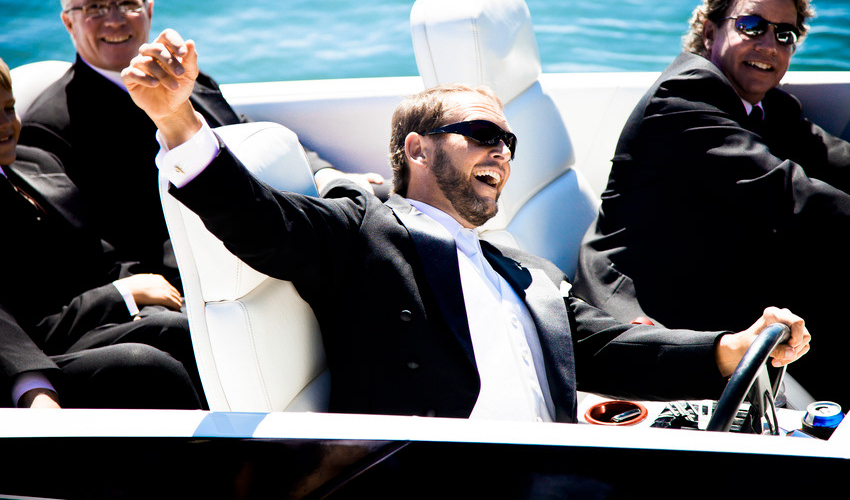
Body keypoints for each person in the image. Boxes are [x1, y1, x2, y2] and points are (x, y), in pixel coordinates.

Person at [119, 28, 809, 421]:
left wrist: (728, 349)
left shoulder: (519, 268)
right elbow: (261, 220)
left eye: (508, 141)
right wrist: (178, 121)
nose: (501, 152)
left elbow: (602, 346)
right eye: (481, 134)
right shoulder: (365, 232)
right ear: (417, 150)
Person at [571, 0, 845, 405]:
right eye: (752, 25)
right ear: (710, 30)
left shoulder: (767, 105)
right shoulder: (682, 98)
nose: (768, 45)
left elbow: (830, 155)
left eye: (784, 34)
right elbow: (789, 194)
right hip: (648, 302)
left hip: (711, 269)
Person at [20, 0, 383, 287]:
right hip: (192, 273)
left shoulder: (185, 79)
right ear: (69, 22)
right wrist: (135, 289)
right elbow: (80, 240)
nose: (114, 20)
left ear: (148, 11)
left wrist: (324, 173)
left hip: (271, 219)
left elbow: (248, 133)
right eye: (95, 8)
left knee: (382, 204)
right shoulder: (50, 128)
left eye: (127, 4)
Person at [0, 57, 203, 409]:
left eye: (9, 109)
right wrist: (122, 294)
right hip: (35, 349)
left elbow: (95, 248)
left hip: (84, 322)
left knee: (185, 324)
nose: (6, 125)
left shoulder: (35, 161)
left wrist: (145, 286)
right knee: (148, 363)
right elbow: (20, 320)